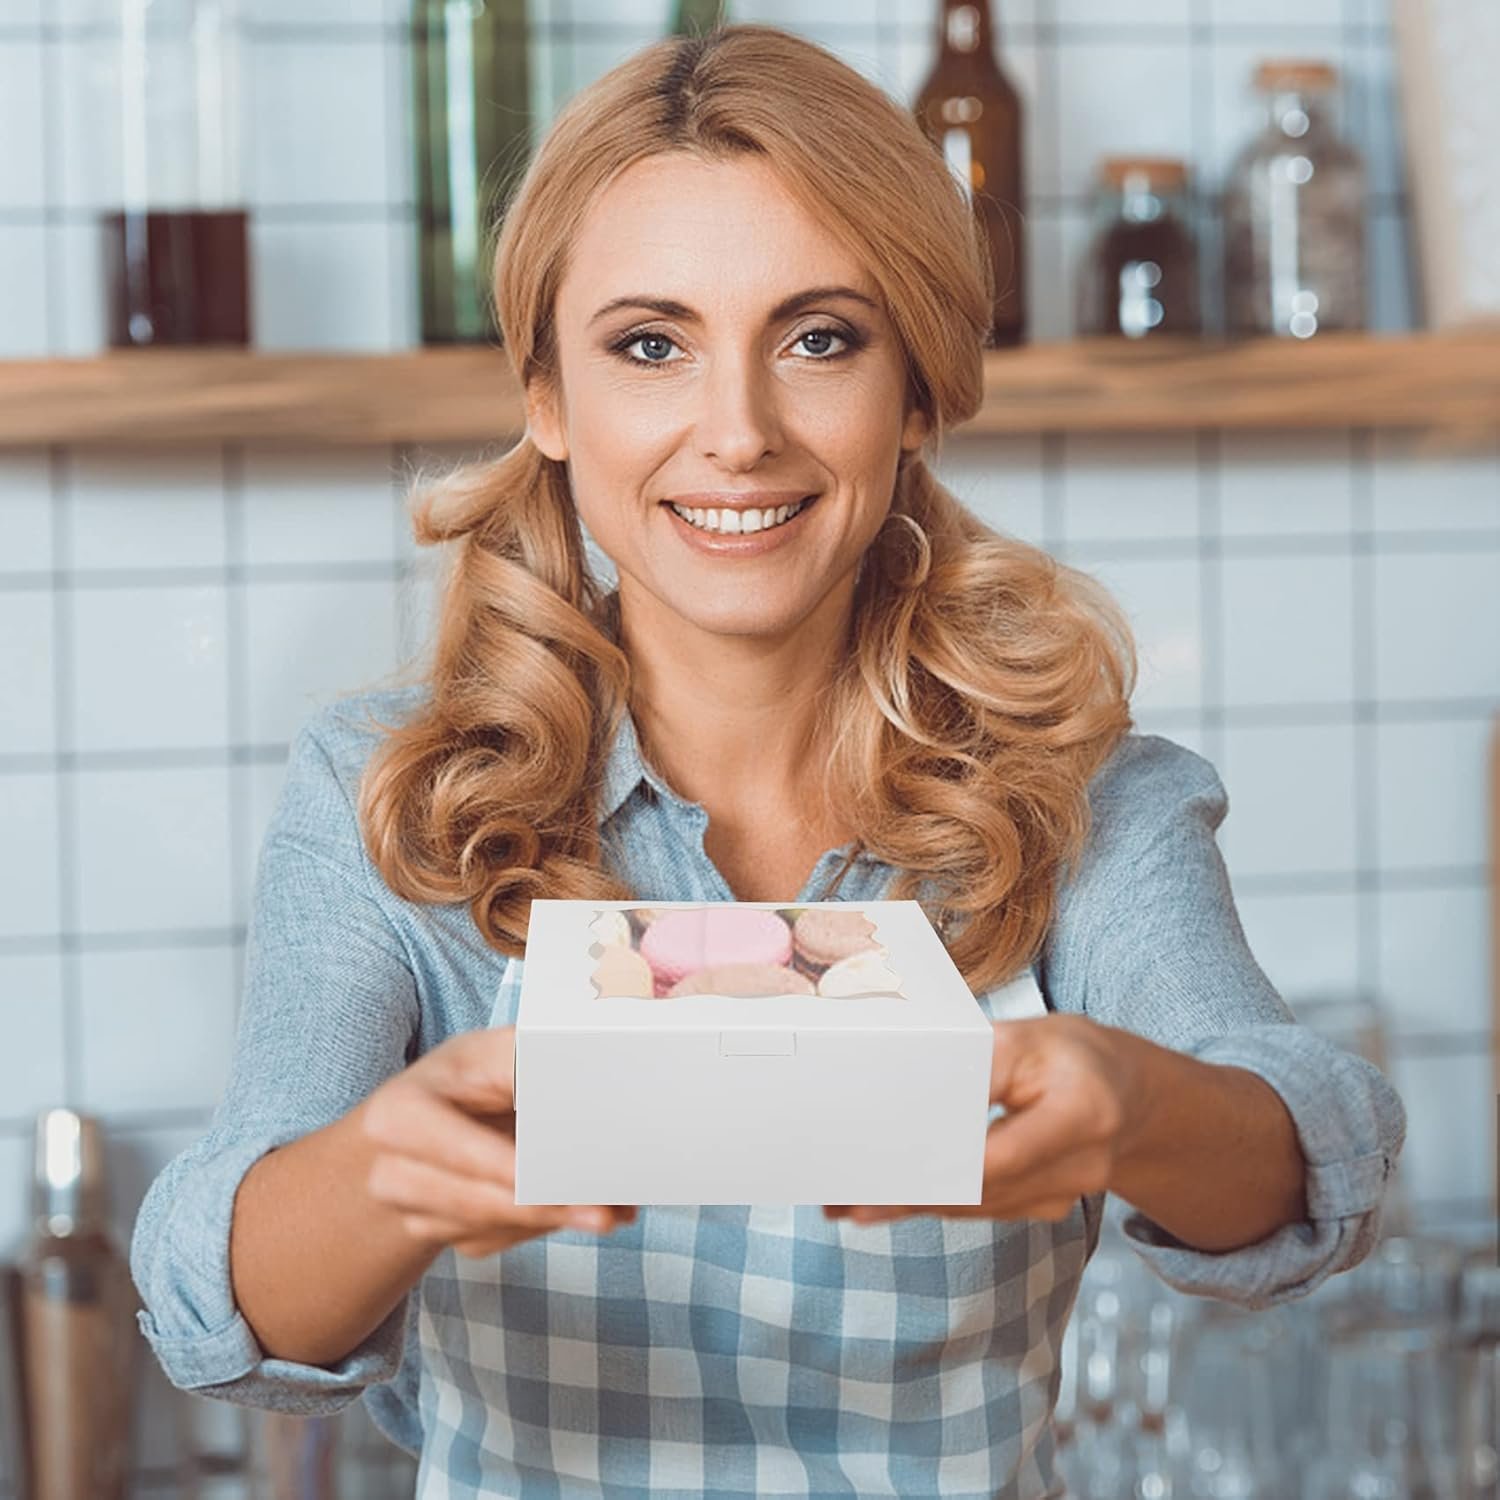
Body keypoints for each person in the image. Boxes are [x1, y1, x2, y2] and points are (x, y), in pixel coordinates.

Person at [130, 23, 1406, 1496]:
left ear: (917, 390)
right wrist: (379, 1176)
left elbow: (1305, 1155)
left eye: (820, 339)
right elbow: (217, 1312)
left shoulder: (1081, 794)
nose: (735, 432)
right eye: (649, 345)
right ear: (546, 394)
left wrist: (1138, 1104)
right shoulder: (396, 800)